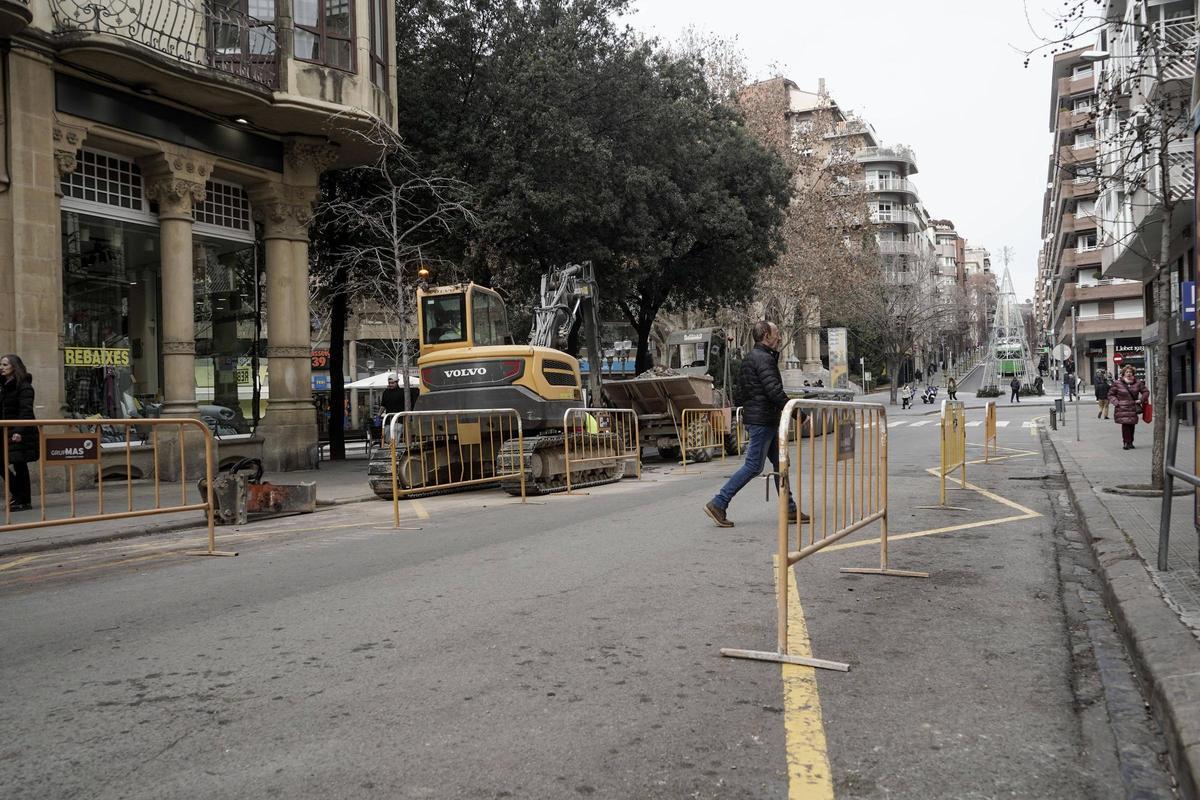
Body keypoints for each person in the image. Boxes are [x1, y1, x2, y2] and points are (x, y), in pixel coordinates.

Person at [705, 321, 807, 528]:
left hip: (761, 418)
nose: (779, 337)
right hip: (763, 421)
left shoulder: (752, 358)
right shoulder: (764, 359)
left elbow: (743, 392)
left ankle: (790, 509)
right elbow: (774, 392)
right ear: (766, 336)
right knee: (753, 466)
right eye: (776, 334)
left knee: (781, 463)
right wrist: (799, 414)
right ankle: (718, 502)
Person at [0, 354, 38, 512]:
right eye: (1, 365)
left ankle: (23, 499)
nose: (1, 367)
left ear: (14, 366)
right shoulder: (3, 385)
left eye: (5, 365)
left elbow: (26, 410)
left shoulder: (24, 386)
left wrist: (19, 431)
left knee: (19, 463)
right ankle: (20, 495)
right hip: (4, 430)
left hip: (19, 431)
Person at [1109, 365, 1148, 449]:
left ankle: (1130, 442)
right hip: (1122, 407)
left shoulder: (1138, 383)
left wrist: (1141, 400)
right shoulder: (1117, 383)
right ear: (1123, 373)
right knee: (1125, 425)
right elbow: (1111, 394)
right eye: (1127, 372)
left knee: (1132, 425)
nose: (1128, 373)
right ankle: (1126, 442)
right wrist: (1116, 402)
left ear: (1133, 373)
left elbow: (1146, 392)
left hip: (1133, 407)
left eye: (1130, 372)